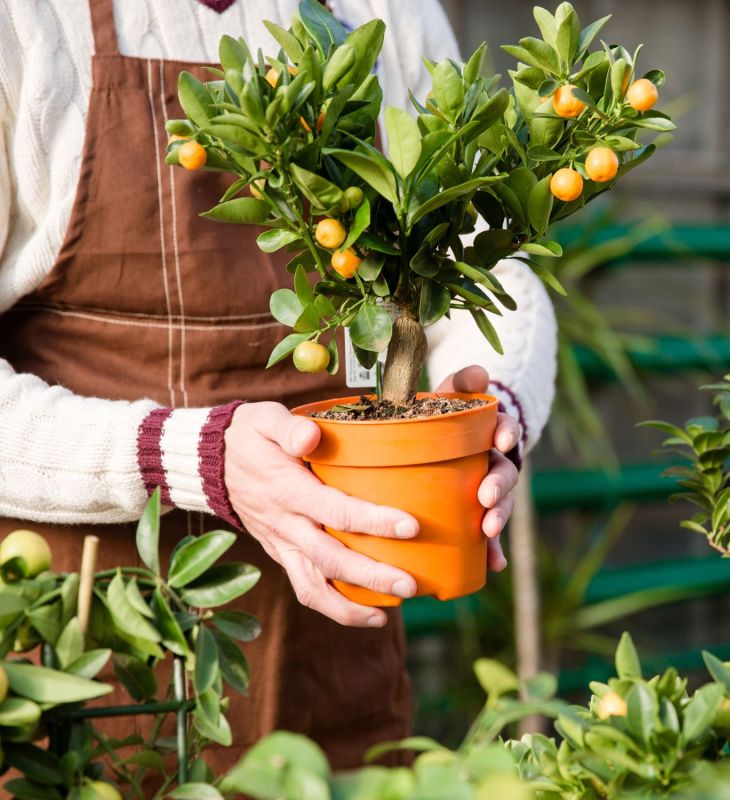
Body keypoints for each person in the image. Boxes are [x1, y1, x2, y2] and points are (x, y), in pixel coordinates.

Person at [0, 0, 556, 769]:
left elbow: (483, 256)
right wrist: (188, 456)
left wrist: (495, 410)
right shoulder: (27, 22)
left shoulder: (385, 12)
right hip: (84, 654)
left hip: (335, 654)